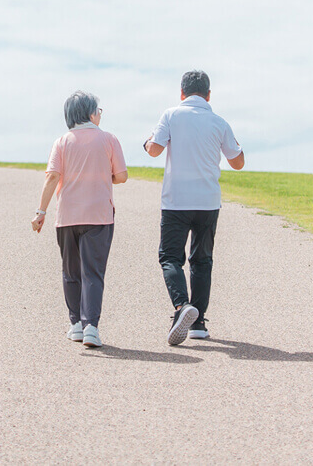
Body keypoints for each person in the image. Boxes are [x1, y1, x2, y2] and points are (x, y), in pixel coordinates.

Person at [144, 70, 244, 345]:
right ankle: (198, 323)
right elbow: (238, 163)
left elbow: (153, 150)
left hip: (176, 200)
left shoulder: (171, 115)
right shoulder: (219, 122)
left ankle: (181, 307)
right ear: (209, 94)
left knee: (170, 258)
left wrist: (147, 140)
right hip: (208, 202)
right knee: (202, 260)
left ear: (181, 93)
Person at [32, 91, 128, 348]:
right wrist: (101, 174)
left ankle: (75, 324)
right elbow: (121, 176)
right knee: (93, 273)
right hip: (99, 216)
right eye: (98, 110)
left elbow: (52, 177)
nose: (100, 114)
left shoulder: (62, 142)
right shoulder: (108, 139)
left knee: (70, 271)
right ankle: (91, 328)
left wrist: (40, 212)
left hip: (67, 217)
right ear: (90, 113)